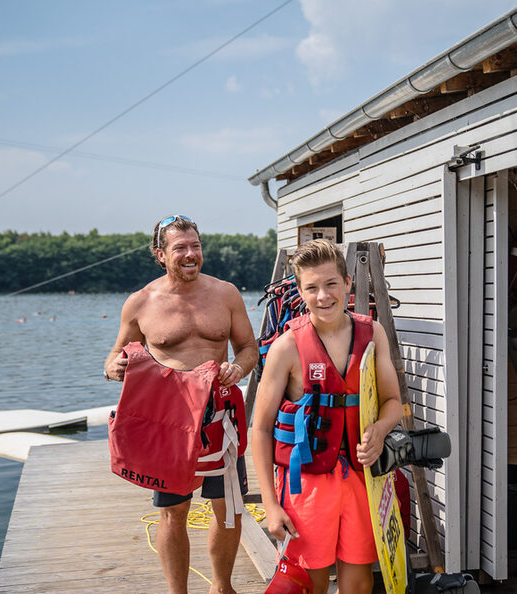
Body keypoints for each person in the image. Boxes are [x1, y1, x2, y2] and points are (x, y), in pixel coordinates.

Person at [104, 215, 258, 594]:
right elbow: (113, 356)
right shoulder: (140, 303)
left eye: (196, 246)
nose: (191, 255)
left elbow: (249, 349)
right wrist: (114, 367)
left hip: (219, 416)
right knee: (173, 513)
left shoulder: (226, 294)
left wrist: (237, 368)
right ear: (160, 254)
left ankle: (221, 587)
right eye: (180, 248)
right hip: (168, 421)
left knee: (228, 508)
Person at [252, 239, 402, 594]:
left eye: (331, 284)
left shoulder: (372, 333)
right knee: (311, 583)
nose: (323, 296)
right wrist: (270, 507)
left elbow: (393, 401)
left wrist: (380, 430)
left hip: (362, 477)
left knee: (359, 583)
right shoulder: (286, 347)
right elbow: (259, 428)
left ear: (348, 283)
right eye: (312, 287)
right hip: (306, 484)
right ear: (299, 291)